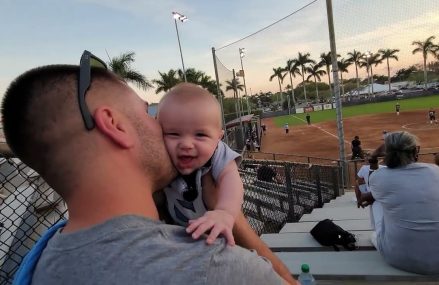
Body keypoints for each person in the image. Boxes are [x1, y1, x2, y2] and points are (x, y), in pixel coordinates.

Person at [3, 56, 295, 284]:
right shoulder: (211, 268)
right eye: (148, 114)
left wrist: (228, 213)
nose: (161, 128)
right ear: (116, 125)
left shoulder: (47, 259)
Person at [156, 83, 242, 246]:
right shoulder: (161, 154)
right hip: (176, 238)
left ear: (218, 137)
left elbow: (231, 179)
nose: (186, 144)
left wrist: (225, 212)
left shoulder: (217, 153)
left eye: (200, 135)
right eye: (173, 134)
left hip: (216, 235)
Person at [358, 131, 439, 275]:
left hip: (401, 259)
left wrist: (373, 158)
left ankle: (376, 233)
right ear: (415, 151)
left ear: (387, 154)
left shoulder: (380, 177)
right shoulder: (435, 170)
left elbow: (373, 188)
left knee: (377, 201)